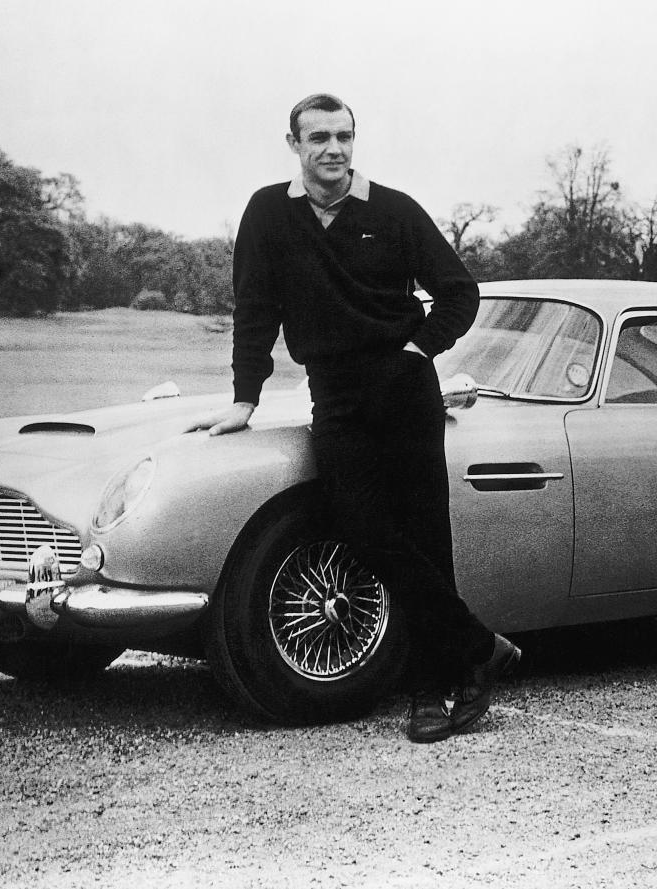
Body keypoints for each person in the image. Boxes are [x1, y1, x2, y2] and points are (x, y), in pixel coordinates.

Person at [187, 94, 519, 743]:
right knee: (361, 529)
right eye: (318, 138)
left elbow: (459, 291)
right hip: (333, 392)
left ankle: (433, 688)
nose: (332, 149)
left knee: (425, 537)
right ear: (294, 144)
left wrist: (418, 348)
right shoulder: (266, 214)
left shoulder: (392, 210)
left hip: (403, 387)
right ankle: (479, 647)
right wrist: (243, 399)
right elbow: (255, 310)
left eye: (343, 136)